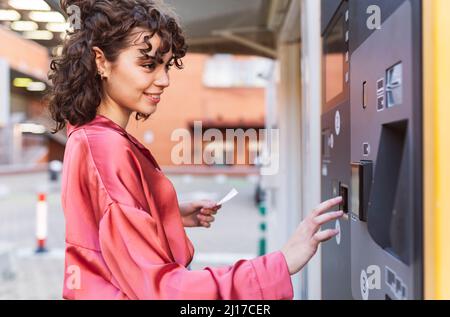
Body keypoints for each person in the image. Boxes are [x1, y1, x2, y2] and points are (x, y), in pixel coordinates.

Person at [47, 0, 344, 300]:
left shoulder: (87, 136)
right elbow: (163, 292)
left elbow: (103, 236)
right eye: (148, 65)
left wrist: (167, 212)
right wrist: (281, 263)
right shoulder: (105, 148)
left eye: (165, 66)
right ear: (101, 61)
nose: (163, 80)